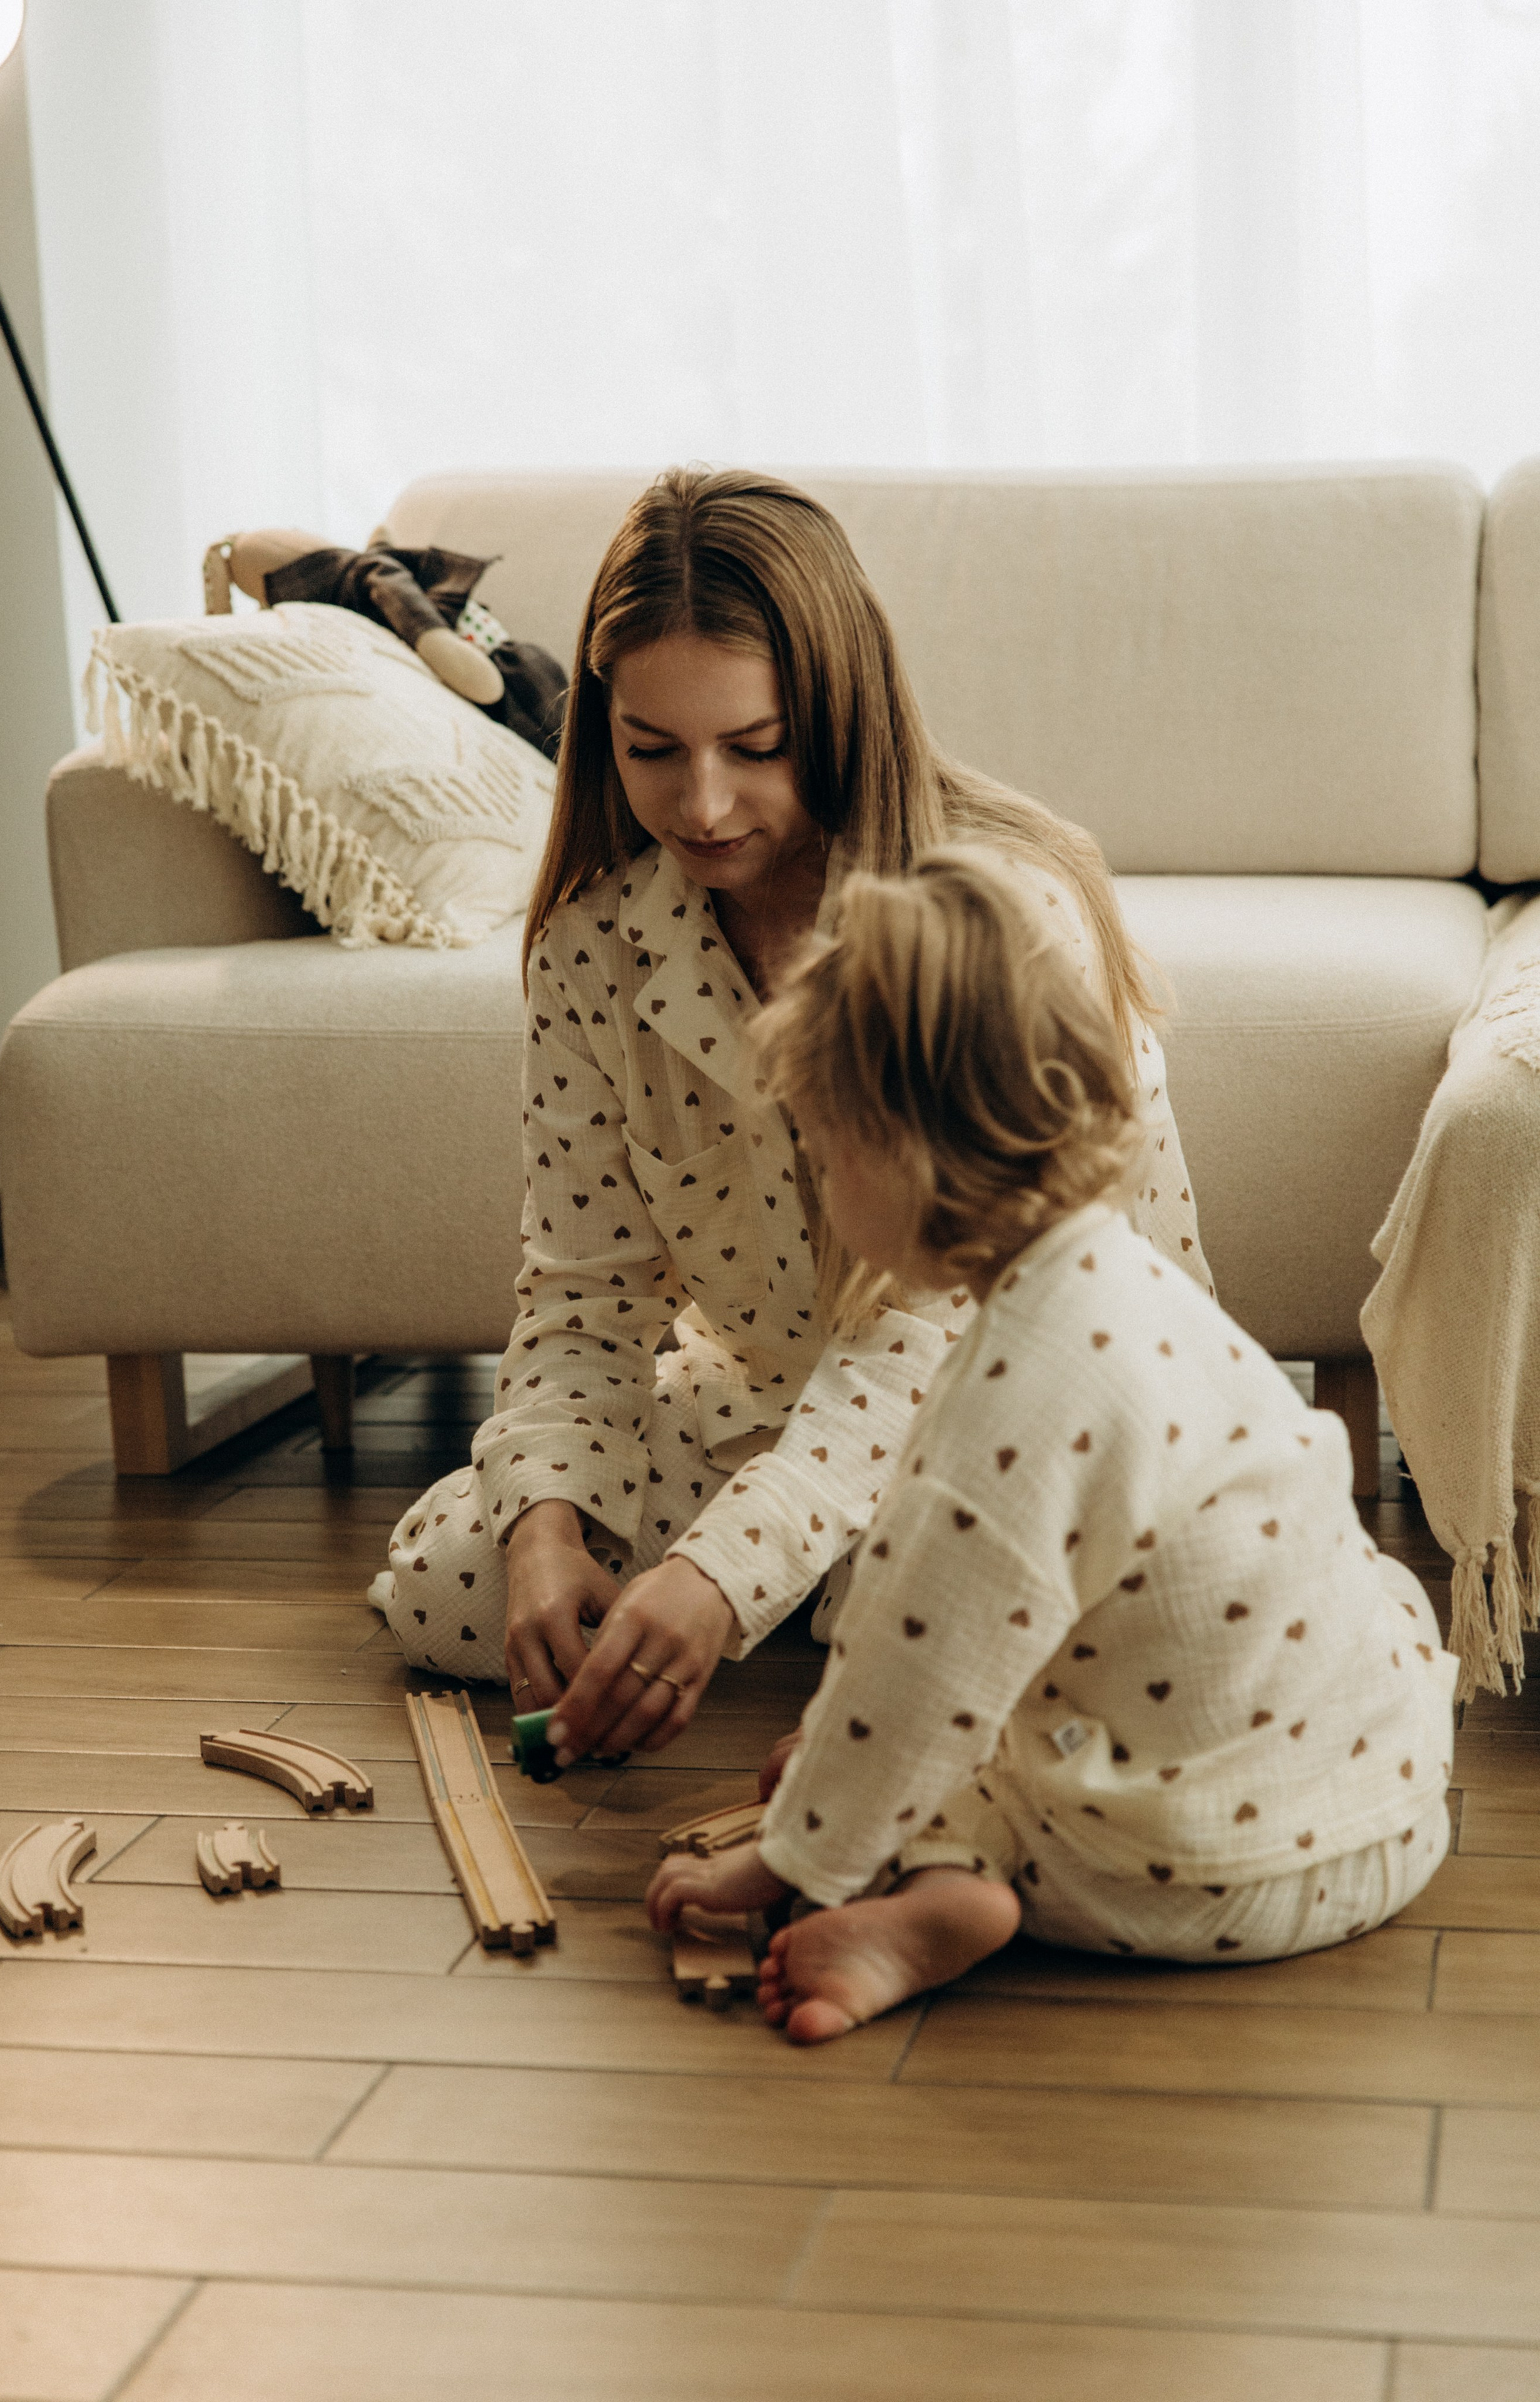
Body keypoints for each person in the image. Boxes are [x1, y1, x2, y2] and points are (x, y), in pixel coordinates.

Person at [373, 467, 1210, 1750]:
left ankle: (836, 1601)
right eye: (652, 750)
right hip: (773, 1405)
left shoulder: (985, 915)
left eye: (754, 750)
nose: (700, 806)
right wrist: (548, 1529)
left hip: (1038, 1419)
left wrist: (716, 1575)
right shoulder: (594, 944)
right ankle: (833, 1599)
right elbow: (586, 1292)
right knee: (453, 1580)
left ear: (837, 714)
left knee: (978, 1593)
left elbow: (936, 1331)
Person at [642, 849, 1458, 2042]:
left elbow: (919, 1666)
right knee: (1362, 1595)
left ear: (896, 1154)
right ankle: (909, 1822)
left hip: (1225, 1881)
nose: (820, 1192)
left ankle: (932, 1903)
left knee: (911, 1735)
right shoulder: (1118, 1272)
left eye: (822, 1155)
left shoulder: (1011, 1398)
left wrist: (787, 1856)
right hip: (1389, 1805)